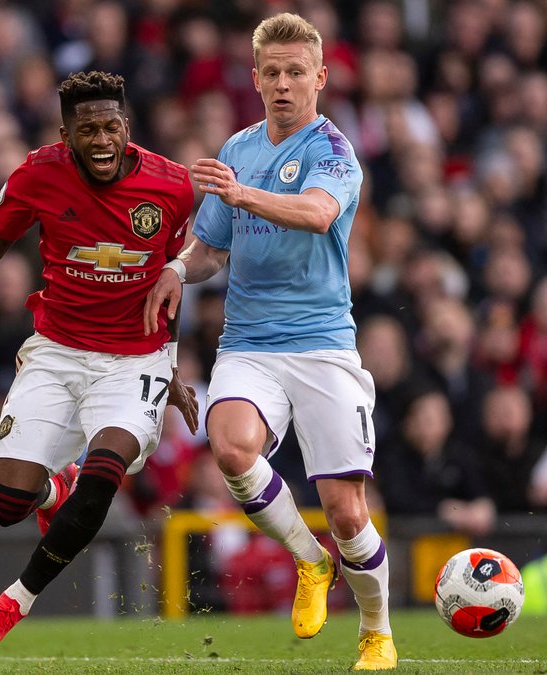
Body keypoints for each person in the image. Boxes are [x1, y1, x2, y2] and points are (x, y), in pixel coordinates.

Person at [0, 71, 199, 652]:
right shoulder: (38, 172)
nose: (102, 139)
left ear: (127, 127)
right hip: (57, 351)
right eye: (88, 130)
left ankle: (12, 603)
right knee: (7, 505)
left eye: (111, 126)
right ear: (66, 135)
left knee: (104, 472)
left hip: (134, 360)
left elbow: (172, 282)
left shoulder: (173, 186)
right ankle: (55, 491)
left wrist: (172, 364)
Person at [144, 13, 395, 671]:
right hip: (249, 342)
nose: (284, 84)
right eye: (272, 73)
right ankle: (311, 561)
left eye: (296, 72)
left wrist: (244, 195)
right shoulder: (238, 149)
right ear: (255, 79)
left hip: (323, 345)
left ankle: (376, 631)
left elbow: (317, 212)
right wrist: (176, 270)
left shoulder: (333, 150)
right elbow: (209, 249)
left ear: (321, 76)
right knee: (230, 446)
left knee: (347, 513)